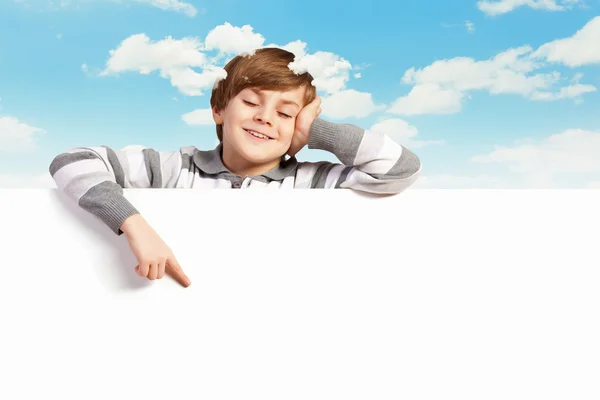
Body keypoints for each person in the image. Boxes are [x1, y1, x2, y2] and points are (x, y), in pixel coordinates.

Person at [49, 47, 421, 288]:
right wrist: (134, 224)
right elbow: (72, 161)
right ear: (219, 109)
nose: (264, 118)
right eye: (251, 103)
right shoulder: (174, 169)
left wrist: (315, 131)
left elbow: (401, 169)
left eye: (285, 113)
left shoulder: (315, 181)